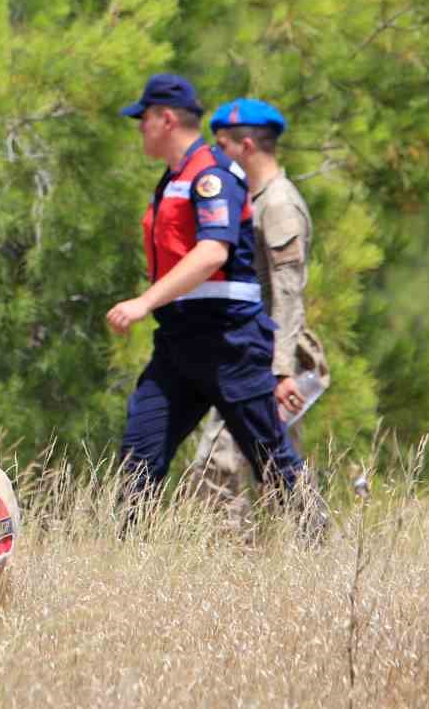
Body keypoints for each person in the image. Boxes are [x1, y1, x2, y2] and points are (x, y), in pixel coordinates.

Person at [105, 74, 313, 527]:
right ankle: (124, 557)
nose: (139, 127)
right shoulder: (174, 178)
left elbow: (213, 251)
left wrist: (143, 302)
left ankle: (318, 543)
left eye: (144, 118)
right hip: (179, 341)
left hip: (229, 344)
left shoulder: (212, 177)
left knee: (271, 461)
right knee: (140, 453)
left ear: (166, 118)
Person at [186, 98, 330, 526]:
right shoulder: (254, 199)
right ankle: (310, 553)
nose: (214, 156)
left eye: (222, 145)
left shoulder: (279, 204)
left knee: (218, 464)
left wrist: (280, 370)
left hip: (267, 359)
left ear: (246, 145)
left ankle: (227, 563)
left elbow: (288, 296)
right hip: (252, 354)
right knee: (276, 470)